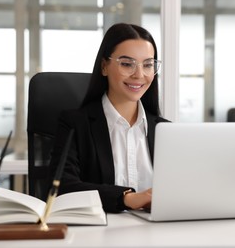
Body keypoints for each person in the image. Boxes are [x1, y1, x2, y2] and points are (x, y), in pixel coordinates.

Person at [49, 23, 170, 213]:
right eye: (127, 64)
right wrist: (128, 198)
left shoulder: (166, 131)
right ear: (104, 66)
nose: (139, 75)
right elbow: (62, 188)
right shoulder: (75, 124)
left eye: (147, 65)